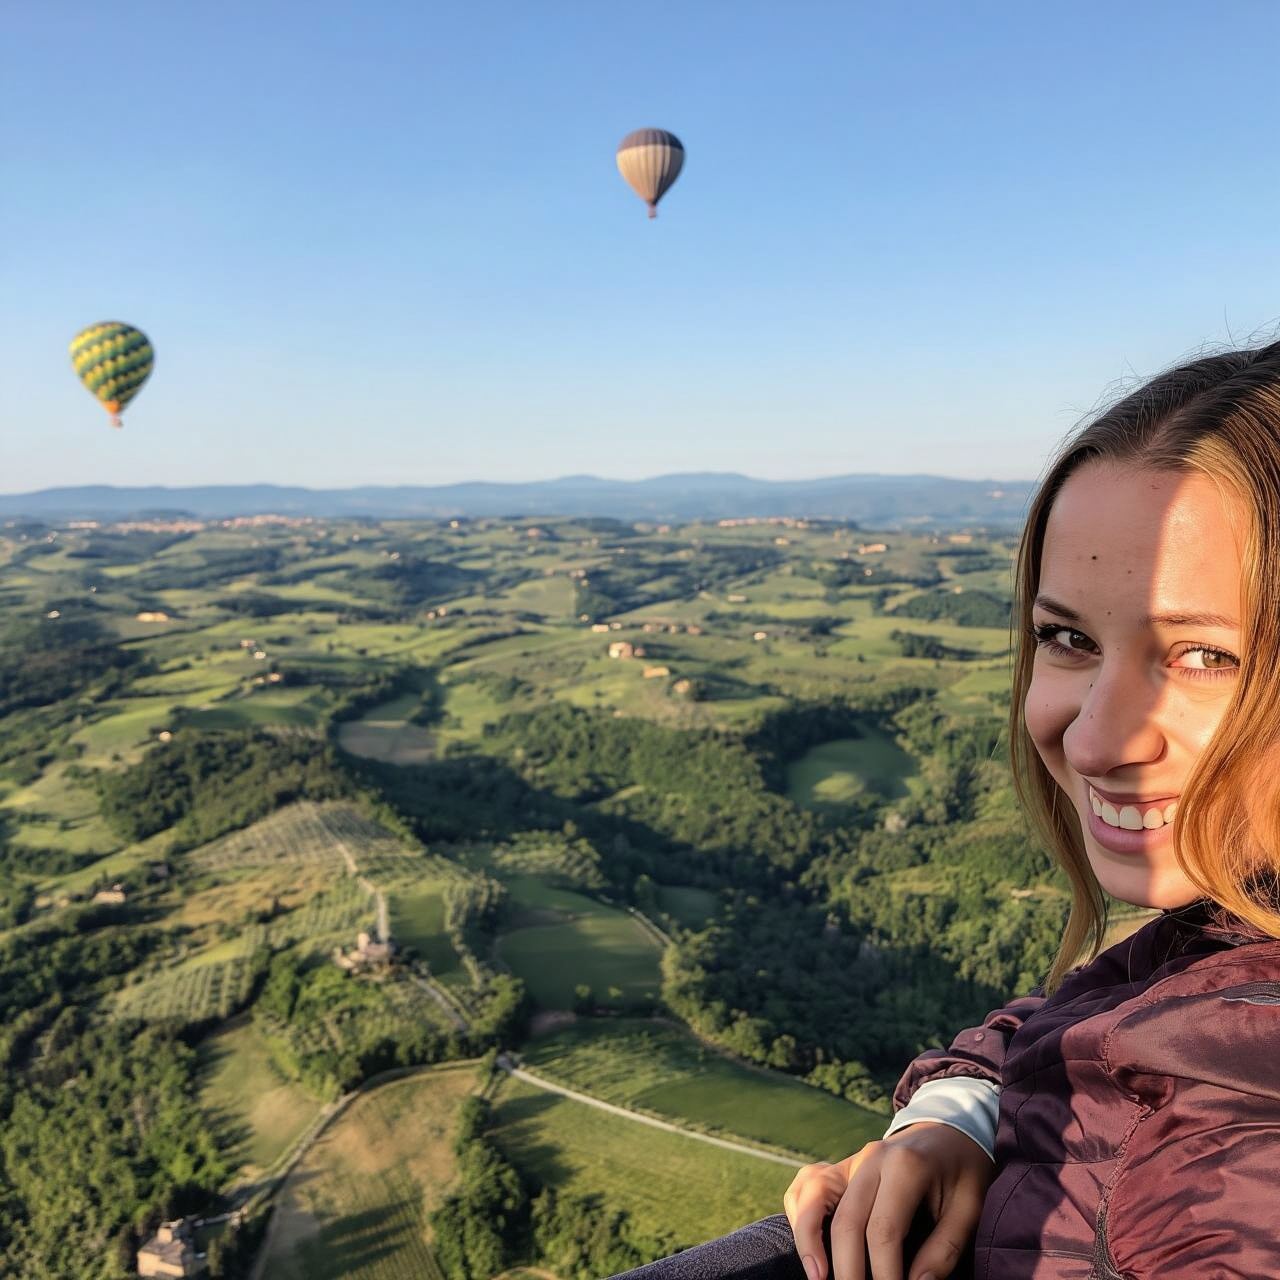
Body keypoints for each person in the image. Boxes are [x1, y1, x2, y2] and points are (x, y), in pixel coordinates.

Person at [609, 339, 1280, 1280]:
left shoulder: (1229, 1155)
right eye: (1067, 638)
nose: (1091, 741)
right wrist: (960, 1110)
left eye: (1206, 655)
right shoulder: (1229, 929)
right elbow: (1122, 1013)